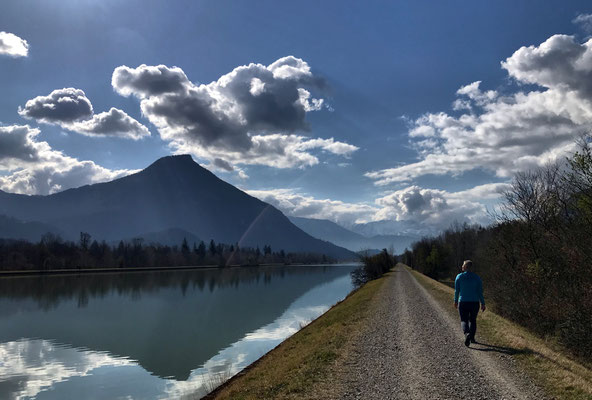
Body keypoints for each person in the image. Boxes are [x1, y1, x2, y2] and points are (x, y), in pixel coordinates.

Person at [454, 260, 485, 347]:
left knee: (464, 320)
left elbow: (457, 291)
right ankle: (472, 338)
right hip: (474, 303)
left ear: (465, 267)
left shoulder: (459, 277)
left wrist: (455, 301)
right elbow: (480, 292)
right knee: (473, 320)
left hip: (463, 302)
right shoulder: (477, 278)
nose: (462, 266)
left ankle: (467, 333)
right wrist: (483, 303)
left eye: (463, 265)